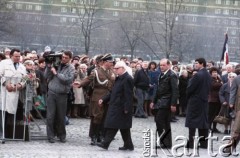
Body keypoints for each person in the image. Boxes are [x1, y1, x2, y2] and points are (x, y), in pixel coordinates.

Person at [73, 53, 115, 145]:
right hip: (98, 96)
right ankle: (94, 136)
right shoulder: (96, 71)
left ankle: (101, 135)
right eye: (110, 62)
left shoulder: (112, 72)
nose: (112, 63)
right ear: (104, 62)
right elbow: (88, 79)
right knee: (97, 117)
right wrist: (80, 84)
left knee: (105, 117)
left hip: (108, 97)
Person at [96, 61, 134, 150]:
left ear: (122, 68)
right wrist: (104, 99)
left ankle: (105, 143)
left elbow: (129, 95)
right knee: (124, 127)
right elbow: (113, 92)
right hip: (116, 105)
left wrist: (127, 108)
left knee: (114, 125)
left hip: (121, 106)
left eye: (117, 68)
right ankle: (129, 145)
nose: (115, 70)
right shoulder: (119, 78)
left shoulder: (127, 78)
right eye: (115, 68)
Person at [44, 50, 75, 143]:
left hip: (62, 94)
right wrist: (49, 67)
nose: (64, 59)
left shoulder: (71, 68)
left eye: (66, 58)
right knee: (50, 116)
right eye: (63, 57)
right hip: (52, 93)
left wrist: (56, 73)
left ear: (70, 59)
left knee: (61, 117)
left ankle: (61, 135)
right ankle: (51, 136)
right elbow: (46, 76)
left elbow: (67, 80)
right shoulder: (55, 65)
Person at [150, 58, 178, 149]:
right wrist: (153, 101)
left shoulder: (172, 75)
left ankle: (164, 142)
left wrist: (173, 104)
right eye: (160, 65)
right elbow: (157, 89)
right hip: (160, 101)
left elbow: (175, 91)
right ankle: (166, 143)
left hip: (166, 102)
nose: (161, 67)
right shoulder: (161, 75)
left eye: (163, 65)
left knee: (160, 121)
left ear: (169, 65)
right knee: (164, 122)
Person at [185, 58, 212, 149]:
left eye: (196, 63)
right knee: (203, 123)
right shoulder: (208, 75)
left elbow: (190, 88)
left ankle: (191, 143)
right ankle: (204, 143)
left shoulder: (197, 75)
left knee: (192, 122)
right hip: (204, 101)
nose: (195, 65)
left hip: (195, 101)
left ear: (202, 64)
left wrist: (188, 97)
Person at [0, 48, 26, 137]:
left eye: (19, 56)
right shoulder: (3, 63)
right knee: (2, 112)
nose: (18, 58)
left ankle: (8, 133)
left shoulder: (22, 67)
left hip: (15, 92)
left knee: (10, 114)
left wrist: (21, 85)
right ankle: (1, 133)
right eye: (16, 56)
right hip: (4, 91)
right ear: (11, 55)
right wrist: (6, 83)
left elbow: (25, 78)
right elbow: (0, 74)